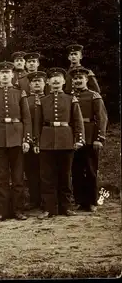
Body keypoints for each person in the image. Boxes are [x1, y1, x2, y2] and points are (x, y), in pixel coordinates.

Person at [34, 68, 85, 219]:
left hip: (66, 140)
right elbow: (37, 123)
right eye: (53, 78)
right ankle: (49, 208)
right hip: (46, 141)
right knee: (47, 176)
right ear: (48, 82)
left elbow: (77, 121)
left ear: (64, 81)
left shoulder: (71, 99)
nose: (55, 81)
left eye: (59, 78)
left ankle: (66, 207)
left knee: (65, 175)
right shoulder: (42, 101)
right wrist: (37, 142)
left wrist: (79, 139)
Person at [0, 61, 32, 222]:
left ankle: (18, 210)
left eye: (7, 73)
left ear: (12, 75)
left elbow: (26, 118)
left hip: (17, 138)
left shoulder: (20, 94)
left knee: (18, 177)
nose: (5, 75)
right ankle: (1, 211)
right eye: (2, 73)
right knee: (1, 177)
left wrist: (26, 139)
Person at [70, 67, 108, 212]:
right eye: (75, 79)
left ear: (86, 80)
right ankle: (79, 201)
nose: (78, 81)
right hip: (74, 138)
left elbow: (102, 118)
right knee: (76, 170)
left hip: (91, 137)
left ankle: (92, 201)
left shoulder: (94, 96)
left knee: (91, 170)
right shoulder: (70, 96)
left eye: (81, 78)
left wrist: (100, 138)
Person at [23, 71, 48, 211]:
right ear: (30, 84)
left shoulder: (49, 99)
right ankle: (34, 199)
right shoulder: (25, 100)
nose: (37, 84)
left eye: (39, 81)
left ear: (45, 84)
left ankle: (47, 200)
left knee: (46, 172)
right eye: (34, 82)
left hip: (47, 140)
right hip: (29, 140)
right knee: (31, 171)